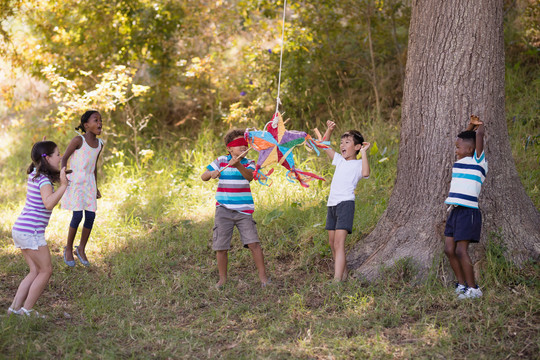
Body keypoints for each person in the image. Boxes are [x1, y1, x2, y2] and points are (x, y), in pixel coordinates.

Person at [201, 129, 269, 288]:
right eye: (238, 145)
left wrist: (238, 164)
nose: (243, 147)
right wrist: (211, 174)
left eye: (245, 144)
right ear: (229, 148)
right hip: (223, 210)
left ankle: (263, 278)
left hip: (244, 211)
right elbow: (203, 176)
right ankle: (222, 279)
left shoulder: (249, 163)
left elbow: (250, 177)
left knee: (254, 243)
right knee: (221, 246)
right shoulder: (221, 160)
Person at [8, 141, 69, 317]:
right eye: (57, 154)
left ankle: (15, 310)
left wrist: (40, 148)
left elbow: (41, 162)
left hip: (21, 229)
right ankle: (27, 312)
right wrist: (64, 186)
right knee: (46, 270)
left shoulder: (35, 173)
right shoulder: (43, 180)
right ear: (47, 158)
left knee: (35, 271)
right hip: (31, 232)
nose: (60, 157)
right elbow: (48, 203)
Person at [319, 121, 370, 282]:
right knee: (332, 242)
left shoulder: (357, 164)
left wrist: (364, 152)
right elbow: (323, 145)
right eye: (341, 142)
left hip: (345, 204)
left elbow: (366, 173)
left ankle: (336, 280)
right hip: (332, 204)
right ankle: (344, 273)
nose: (342, 145)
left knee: (339, 243)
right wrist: (330, 129)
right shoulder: (340, 160)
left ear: (356, 147)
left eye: (347, 142)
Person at [444, 115, 486, 299]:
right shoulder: (460, 161)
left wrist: (479, 127)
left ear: (470, 149)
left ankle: (474, 288)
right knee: (449, 250)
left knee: (461, 250)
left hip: (469, 212)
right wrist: (469, 126)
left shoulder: (478, 161)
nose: (456, 150)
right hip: (455, 210)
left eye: (458, 147)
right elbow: (465, 138)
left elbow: (479, 138)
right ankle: (461, 285)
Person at [61, 110, 104, 267]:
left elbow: (94, 168)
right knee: (77, 216)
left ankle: (81, 248)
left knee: (91, 216)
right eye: (96, 120)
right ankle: (68, 249)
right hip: (77, 182)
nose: (100, 123)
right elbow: (64, 158)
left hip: (90, 183)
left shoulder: (100, 144)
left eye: (101, 120)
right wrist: (62, 175)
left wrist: (97, 186)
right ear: (86, 125)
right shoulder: (78, 140)